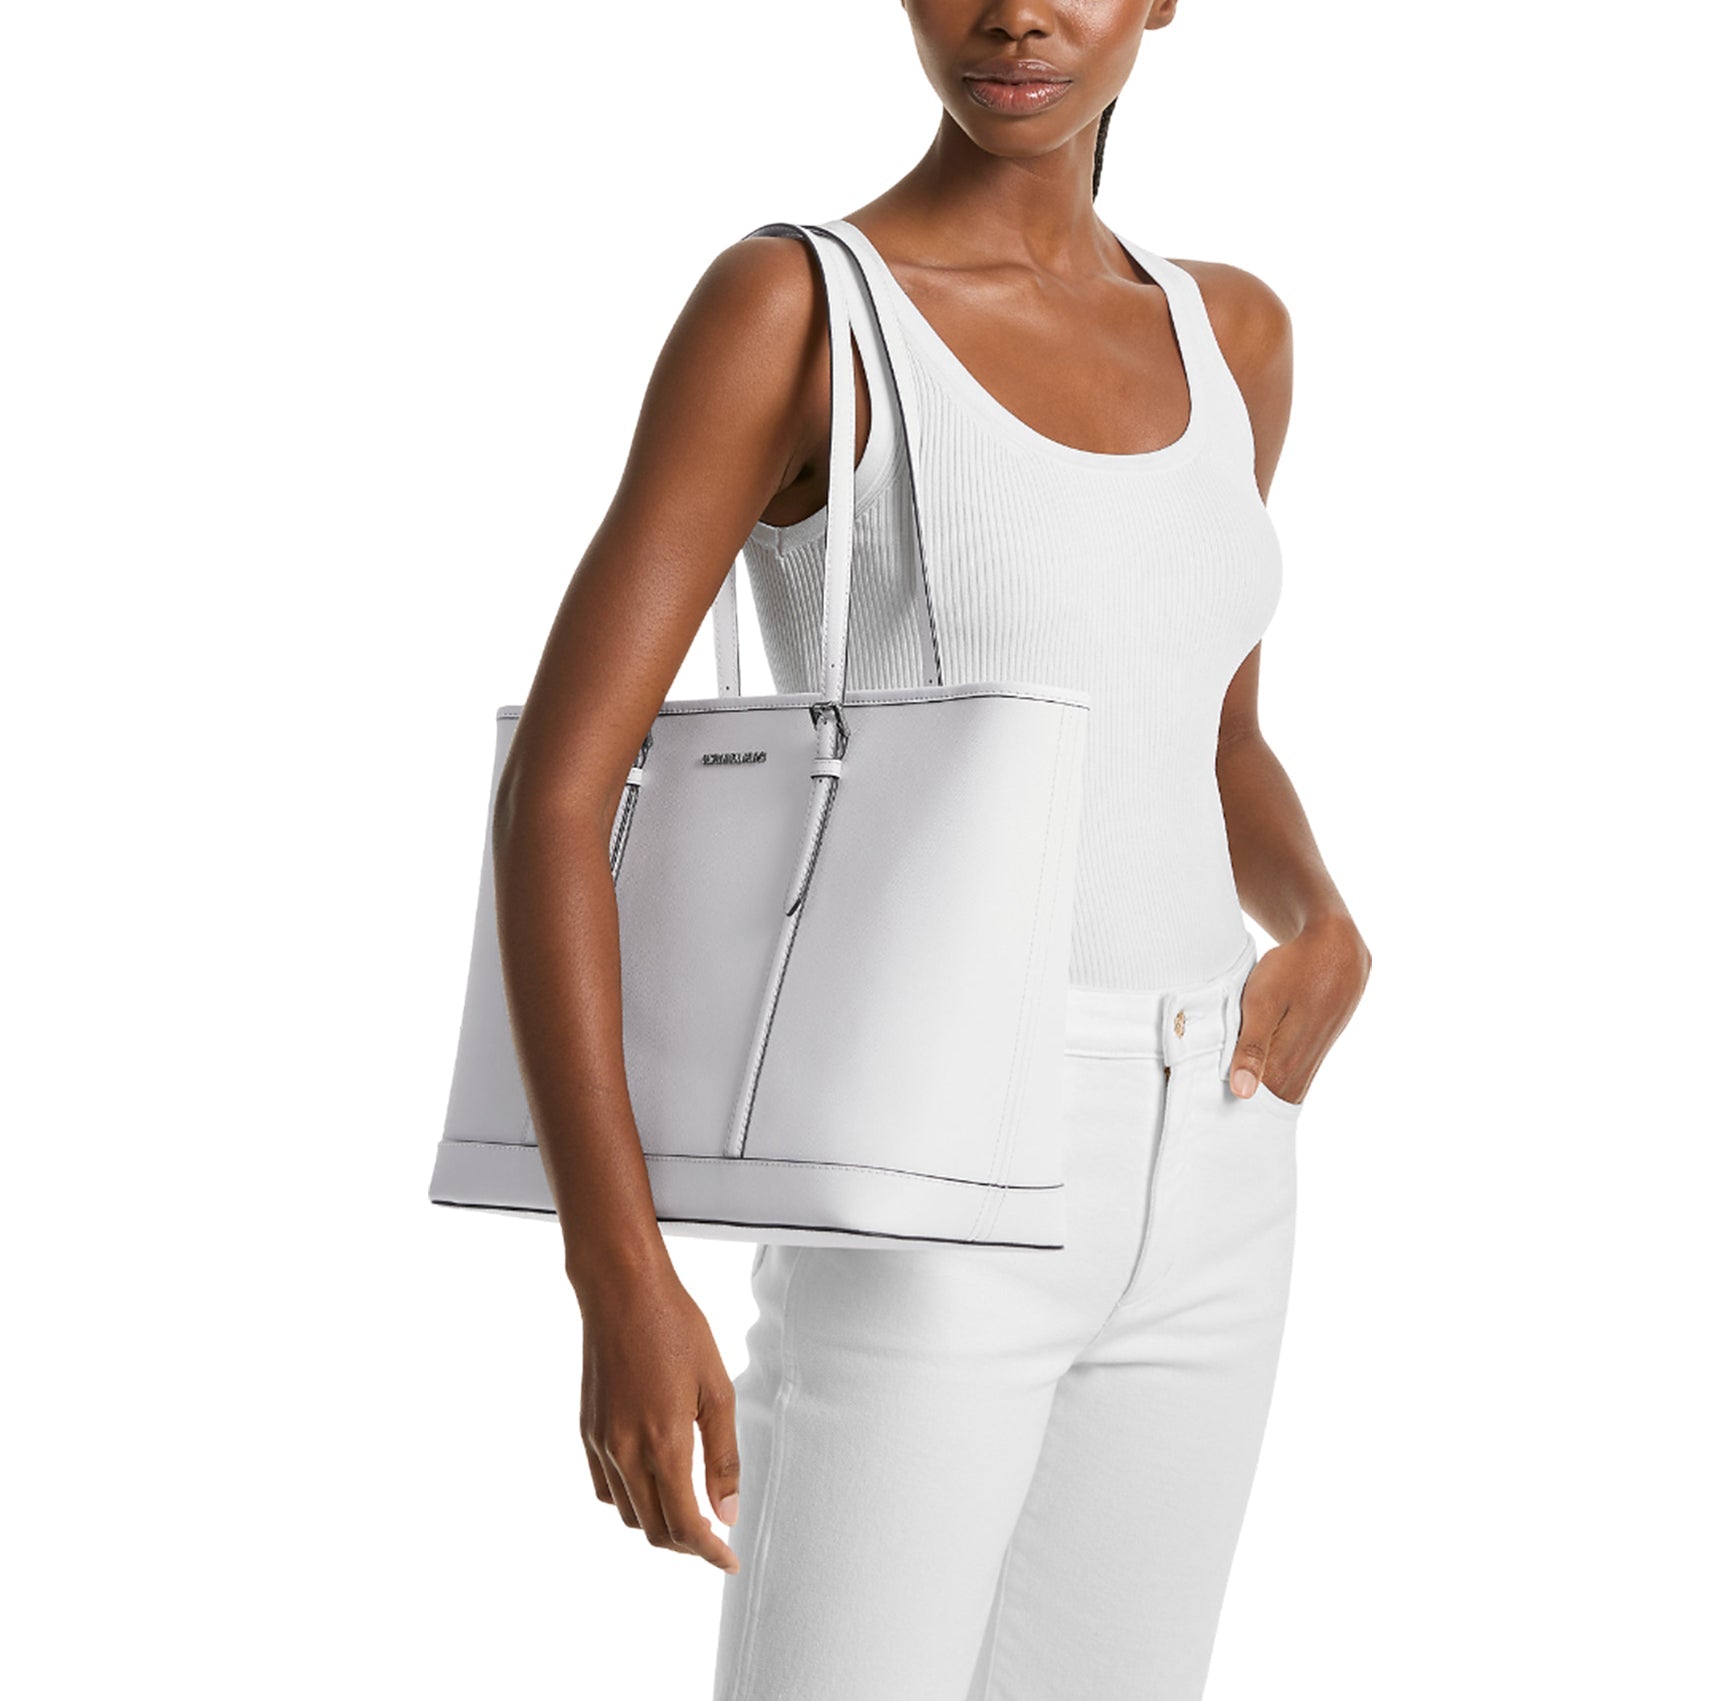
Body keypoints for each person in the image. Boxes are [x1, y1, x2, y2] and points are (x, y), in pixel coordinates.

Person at [490, 3, 1371, 1696]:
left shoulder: (1235, 336)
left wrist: (1324, 916)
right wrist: (619, 1273)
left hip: (1217, 1149)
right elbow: (560, 794)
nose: (1015, 13)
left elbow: (1211, 731)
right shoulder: (799, 313)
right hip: (926, 1159)